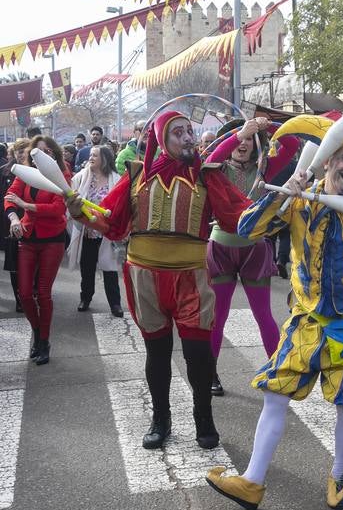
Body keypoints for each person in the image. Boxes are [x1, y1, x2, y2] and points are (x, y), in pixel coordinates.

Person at [206, 117, 343, 510]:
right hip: (306, 321)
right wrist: (283, 194)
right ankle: (252, 482)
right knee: (275, 394)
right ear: (327, 162)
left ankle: (338, 475)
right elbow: (246, 228)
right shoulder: (298, 202)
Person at [66, 111, 251, 451]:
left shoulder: (207, 175)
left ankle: (203, 418)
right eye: (178, 132)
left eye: (190, 131)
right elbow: (112, 221)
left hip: (191, 279)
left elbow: (240, 214)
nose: (188, 138)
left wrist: (278, 204)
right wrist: (80, 211)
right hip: (145, 278)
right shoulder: (137, 175)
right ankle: (161, 419)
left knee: (198, 354)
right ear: (162, 139)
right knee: (157, 352)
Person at [205, 117, 299, 395]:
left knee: (263, 315)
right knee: (217, 316)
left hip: (255, 250)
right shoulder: (217, 168)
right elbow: (211, 157)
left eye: (249, 139)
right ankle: (210, 374)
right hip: (220, 248)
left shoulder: (265, 168)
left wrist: (266, 126)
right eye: (239, 138)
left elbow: (292, 144)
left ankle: (278, 372)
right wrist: (238, 133)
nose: (243, 143)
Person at [4, 135, 71, 365]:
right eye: (37, 152)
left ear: (54, 154)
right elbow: (9, 197)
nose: (41, 156)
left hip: (53, 239)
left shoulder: (62, 175)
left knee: (43, 293)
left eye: (47, 151)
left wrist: (25, 205)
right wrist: (14, 218)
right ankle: (37, 331)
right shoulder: (25, 173)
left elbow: (57, 208)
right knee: (24, 294)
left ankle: (44, 341)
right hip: (28, 236)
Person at [67, 145, 123, 317]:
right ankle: (85, 298)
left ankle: (115, 304)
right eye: (90, 155)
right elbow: (70, 198)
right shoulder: (80, 177)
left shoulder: (116, 179)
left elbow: (121, 205)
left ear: (104, 159)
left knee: (110, 270)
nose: (90, 158)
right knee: (87, 269)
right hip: (87, 232)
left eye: (95, 155)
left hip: (107, 233)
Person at [2, 138, 30, 311]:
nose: (22, 155)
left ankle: (31, 293)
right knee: (15, 265)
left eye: (26, 151)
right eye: (19, 151)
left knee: (32, 264)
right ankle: (19, 299)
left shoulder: (36, 172)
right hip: (11, 223)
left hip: (32, 223)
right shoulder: (5, 172)